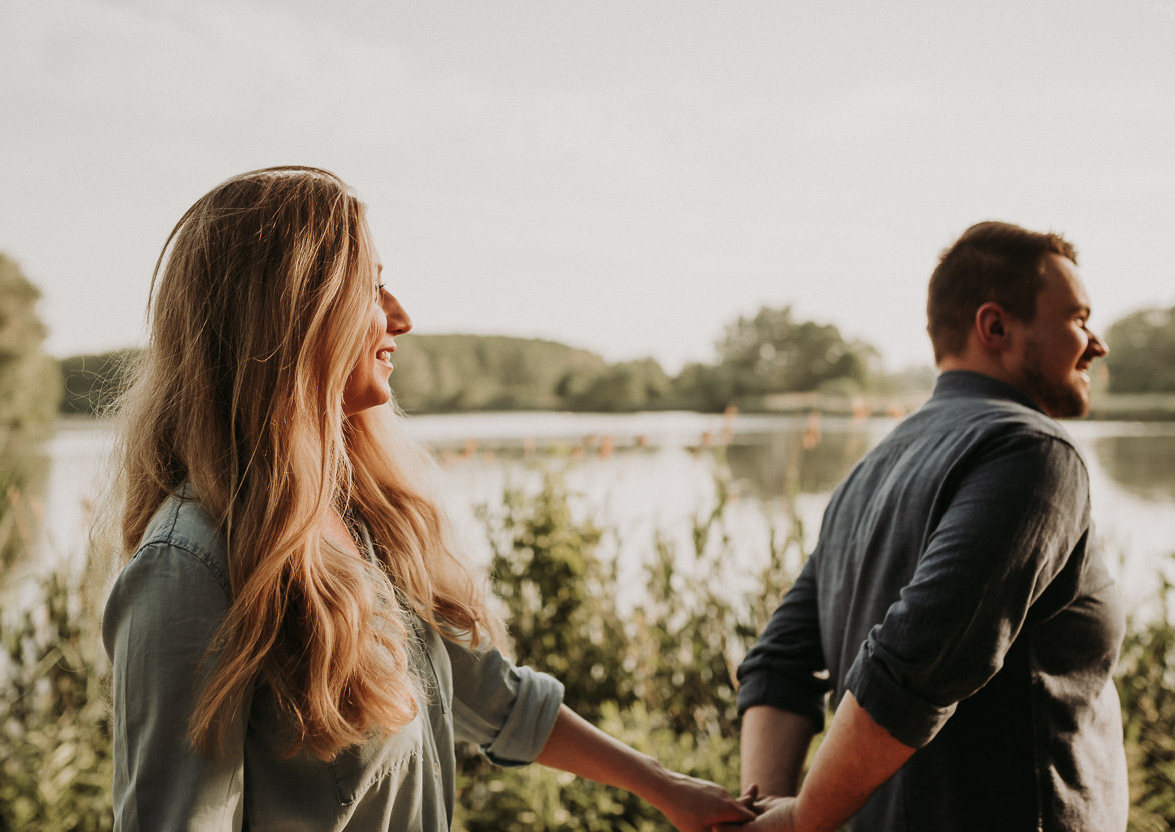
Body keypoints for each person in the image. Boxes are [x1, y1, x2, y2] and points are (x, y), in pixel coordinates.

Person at [101, 166, 757, 832]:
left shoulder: (363, 516)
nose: (402, 317)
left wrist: (672, 790)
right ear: (293, 315)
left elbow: (494, 699)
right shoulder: (190, 568)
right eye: (371, 288)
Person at [730, 221, 1127, 832]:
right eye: (1077, 318)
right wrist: (801, 821)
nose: (1095, 343)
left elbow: (778, 666)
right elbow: (916, 665)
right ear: (995, 327)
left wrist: (762, 812)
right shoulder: (1034, 451)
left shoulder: (869, 470)